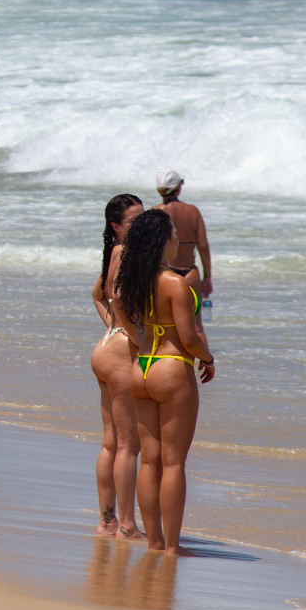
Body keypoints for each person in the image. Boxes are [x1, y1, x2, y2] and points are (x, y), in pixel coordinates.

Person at [116, 208, 214, 555]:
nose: (176, 238)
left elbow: (125, 319)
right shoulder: (174, 282)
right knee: (173, 462)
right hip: (172, 366)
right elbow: (188, 338)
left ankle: (155, 541)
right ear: (162, 239)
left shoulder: (135, 279)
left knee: (151, 460)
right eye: (173, 233)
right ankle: (172, 546)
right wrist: (208, 357)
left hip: (142, 366)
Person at [90, 193, 145, 538]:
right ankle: (126, 524)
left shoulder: (115, 252)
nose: (140, 224)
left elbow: (99, 294)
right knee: (128, 445)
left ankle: (107, 521)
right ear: (116, 226)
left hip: (108, 347)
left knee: (112, 442)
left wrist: (112, 326)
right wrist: (133, 336)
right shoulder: (127, 253)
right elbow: (117, 297)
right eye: (133, 221)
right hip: (122, 351)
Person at [153, 171, 213, 299]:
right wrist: (207, 277)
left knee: (166, 318)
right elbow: (203, 246)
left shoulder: (153, 213)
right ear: (178, 188)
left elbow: (148, 249)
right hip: (189, 273)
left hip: (165, 274)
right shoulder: (193, 211)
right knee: (193, 317)